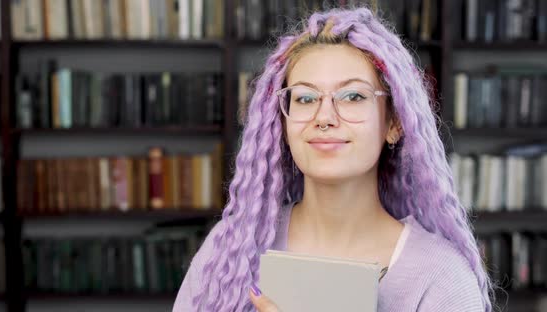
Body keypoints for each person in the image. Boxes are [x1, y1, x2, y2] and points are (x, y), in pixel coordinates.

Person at [173, 6, 497, 312]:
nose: (323, 116)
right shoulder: (231, 248)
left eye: (353, 96)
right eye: (305, 97)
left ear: (394, 123)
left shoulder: (442, 277)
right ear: (282, 123)